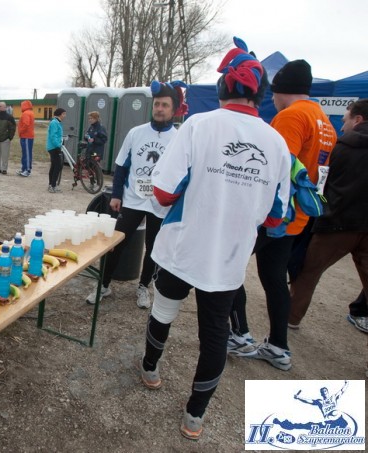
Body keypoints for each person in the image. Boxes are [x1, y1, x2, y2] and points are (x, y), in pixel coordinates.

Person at [139, 37, 290, 440]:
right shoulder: (277, 143)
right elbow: (276, 217)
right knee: (215, 336)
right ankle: (195, 416)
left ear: (223, 87)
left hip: (182, 248)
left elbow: (163, 192)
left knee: (164, 311)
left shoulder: (198, 125)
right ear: (261, 94)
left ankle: (150, 370)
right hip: (228, 259)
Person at [228, 59, 337, 371]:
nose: (272, 101)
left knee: (227, 265)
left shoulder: (291, 116)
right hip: (298, 217)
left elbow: (276, 167)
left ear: (280, 91)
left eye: (273, 94)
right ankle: (278, 346)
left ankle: (239, 334)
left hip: (275, 215)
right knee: (274, 278)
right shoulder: (324, 121)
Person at [84, 82, 186, 308]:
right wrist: (116, 195)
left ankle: (143, 287)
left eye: (165, 105)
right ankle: (104, 284)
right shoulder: (136, 133)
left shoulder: (179, 138)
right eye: (157, 104)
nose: (159, 109)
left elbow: (182, 174)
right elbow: (121, 166)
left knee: (154, 249)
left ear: (173, 109)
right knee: (116, 242)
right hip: (133, 199)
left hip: (160, 204)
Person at [288, 99, 368, 332]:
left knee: (308, 272)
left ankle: (291, 318)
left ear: (358, 119)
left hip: (336, 222)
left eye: (345, 120)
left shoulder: (341, 147)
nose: (342, 126)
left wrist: (323, 206)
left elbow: (323, 188)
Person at [46, 108, 66, 193]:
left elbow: (58, 135)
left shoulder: (57, 122)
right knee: (57, 166)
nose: (65, 116)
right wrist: (58, 145)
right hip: (54, 147)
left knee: (54, 166)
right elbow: (53, 136)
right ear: (60, 114)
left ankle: (51, 184)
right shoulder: (54, 123)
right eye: (64, 114)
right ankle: (53, 185)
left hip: (54, 146)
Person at [17, 100, 35, 177]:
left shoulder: (26, 113)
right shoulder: (30, 112)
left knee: (26, 154)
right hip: (27, 136)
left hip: (26, 136)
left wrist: (20, 131)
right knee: (26, 153)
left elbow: (26, 124)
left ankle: (27, 170)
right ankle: (24, 168)